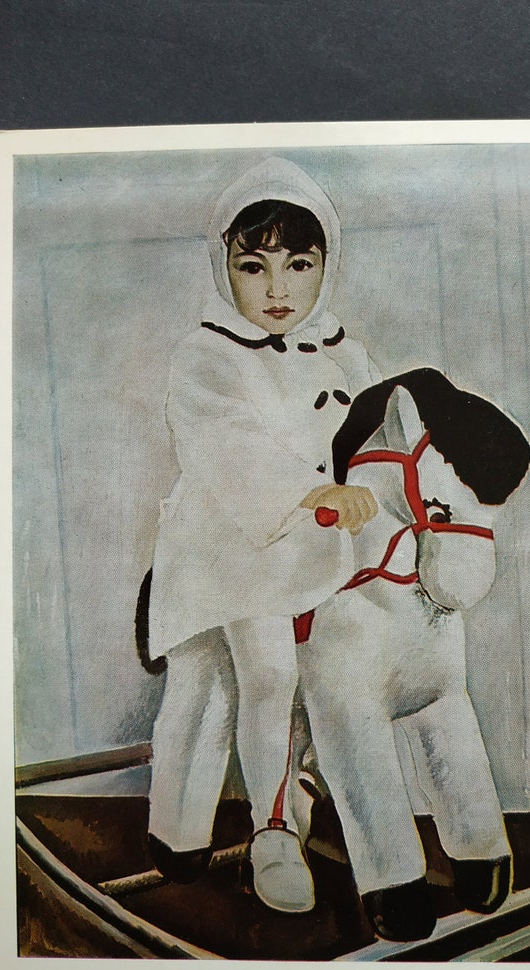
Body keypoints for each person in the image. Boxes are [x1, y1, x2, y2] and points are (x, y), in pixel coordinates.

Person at [145, 158, 379, 912]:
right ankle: (254, 834)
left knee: (334, 669)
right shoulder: (207, 355)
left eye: (298, 265)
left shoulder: (345, 352)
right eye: (254, 267)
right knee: (245, 678)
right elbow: (226, 445)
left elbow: (376, 439)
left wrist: (372, 491)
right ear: (225, 269)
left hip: (319, 542)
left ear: (326, 265)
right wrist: (309, 489)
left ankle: (298, 796)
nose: (278, 289)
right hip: (229, 550)